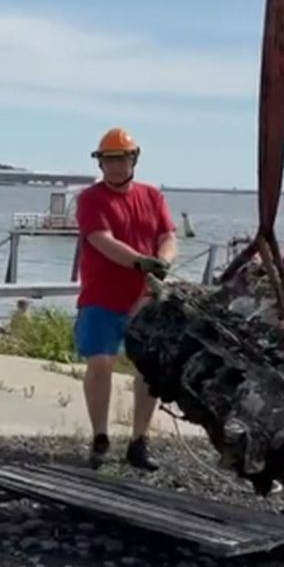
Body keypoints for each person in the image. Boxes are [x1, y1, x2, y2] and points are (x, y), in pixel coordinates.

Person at [74, 127, 177, 471]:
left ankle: (139, 441)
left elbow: (168, 235)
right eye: (109, 160)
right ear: (101, 163)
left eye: (122, 159)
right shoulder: (90, 199)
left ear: (134, 160)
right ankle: (100, 436)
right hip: (101, 297)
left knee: (148, 370)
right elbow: (101, 240)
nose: (116, 166)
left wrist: (164, 259)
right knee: (100, 363)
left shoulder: (153, 196)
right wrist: (139, 261)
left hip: (145, 299)